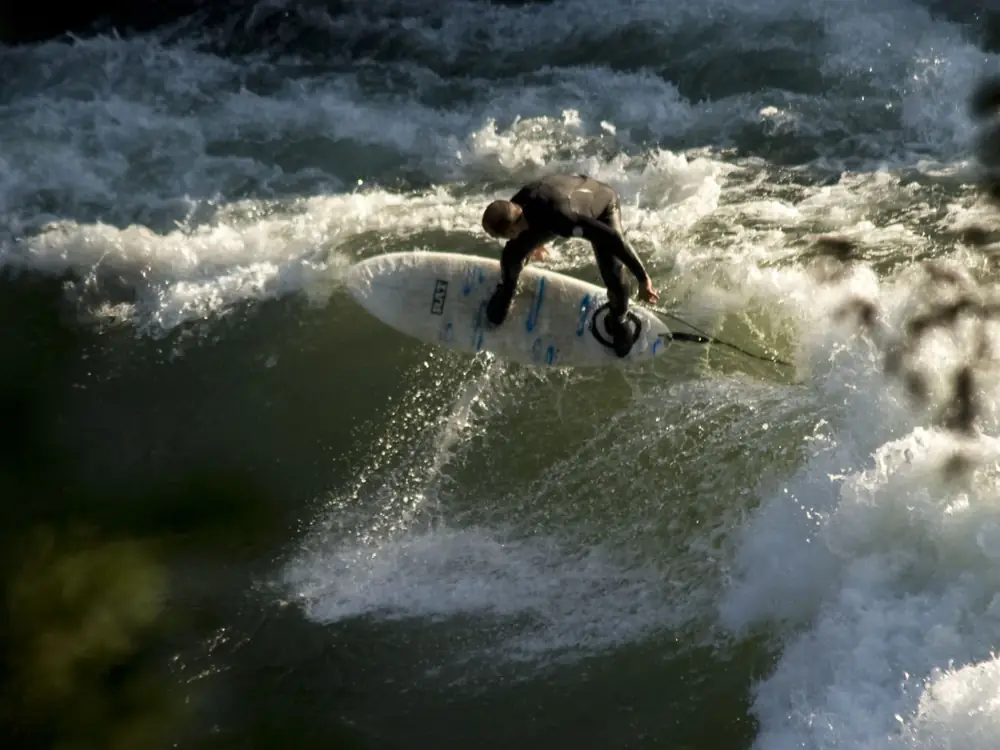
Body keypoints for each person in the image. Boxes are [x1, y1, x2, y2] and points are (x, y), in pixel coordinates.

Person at [480, 173, 659, 357]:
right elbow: (528, 226)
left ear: (510, 230)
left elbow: (614, 239)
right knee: (511, 255)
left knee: (614, 275)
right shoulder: (518, 204)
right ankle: (507, 290)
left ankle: (618, 321)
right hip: (562, 197)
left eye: (499, 236)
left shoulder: (563, 220)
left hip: (600, 205)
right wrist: (534, 244)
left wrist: (643, 279)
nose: (499, 240)